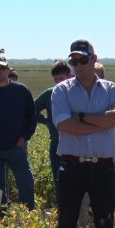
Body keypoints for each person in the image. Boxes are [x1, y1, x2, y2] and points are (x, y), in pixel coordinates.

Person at [52, 39, 115, 228]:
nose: (78, 65)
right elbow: (64, 125)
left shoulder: (112, 89)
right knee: (66, 224)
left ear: (94, 59)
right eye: (74, 61)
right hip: (71, 165)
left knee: (105, 224)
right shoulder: (61, 91)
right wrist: (98, 123)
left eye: (83, 60)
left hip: (103, 167)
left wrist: (81, 118)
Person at [0, 56, 37, 214]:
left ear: (8, 70)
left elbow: (31, 117)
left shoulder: (21, 90)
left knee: (25, 183)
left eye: (2, 68)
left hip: (16, 147)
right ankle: (0, 218)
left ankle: (28, 214)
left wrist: (23, 138)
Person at [34, 60, 72, 201]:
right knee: (59, 180)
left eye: (61, 79)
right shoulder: (49, 94)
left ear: (69, 76)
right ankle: (62, 210)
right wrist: (46, 122)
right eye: (56, 80)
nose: (58, 83)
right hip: (56, 143)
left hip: (75, 144)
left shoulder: (77, 92)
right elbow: (32, 109)